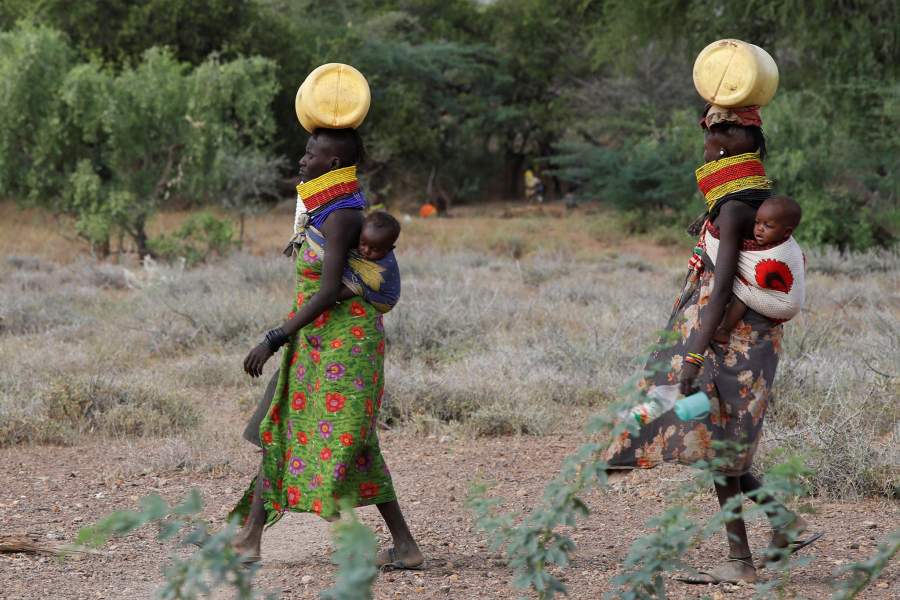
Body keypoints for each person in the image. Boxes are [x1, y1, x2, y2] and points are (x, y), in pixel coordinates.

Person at [604, 104, 819, 584]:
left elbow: (722, 291)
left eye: (709, 137)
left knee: (716, 440)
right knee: (715, 439)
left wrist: (694, 353)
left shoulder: (736, 206)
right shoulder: (749, 197)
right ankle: (780, 525)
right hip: (739, 340)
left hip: (729, 343)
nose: (703, 145)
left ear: (724, 145)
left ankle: (740, 561)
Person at [232, 128, 423, 571]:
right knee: (282, 429)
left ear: (334, 164)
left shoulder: (340, 217)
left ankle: (405, 545)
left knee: (344, 442)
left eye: (310, 154)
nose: (302, 160)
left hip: (345, 347)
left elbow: (327, 292)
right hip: (318, 342)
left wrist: (272, 338)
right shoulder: (328, 209)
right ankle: (249, 538)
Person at [714, 195, 803, 344]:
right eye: (757, 222)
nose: (759, 229)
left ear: (786, 232)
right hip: (781, 301)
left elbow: (759, 274)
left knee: (742, 293)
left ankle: (723, 331)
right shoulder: (775, 240)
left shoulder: (782, 252)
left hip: (785, 306)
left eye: (768, 226)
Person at [337, 210, 402, 314]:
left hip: (384, 300)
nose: (366, 250)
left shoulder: (385, 267)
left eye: (375, 249)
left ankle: (332, 297)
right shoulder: (366, 242)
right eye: (363, 243)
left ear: (389, 249)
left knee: (356, 285)